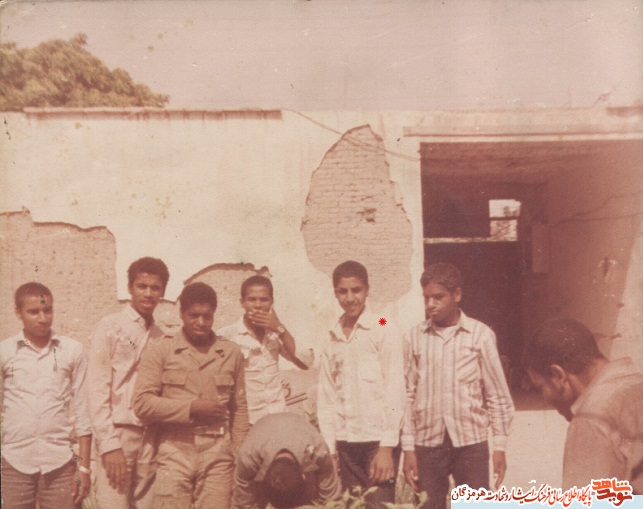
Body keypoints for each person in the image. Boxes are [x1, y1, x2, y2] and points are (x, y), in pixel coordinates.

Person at [402, 262, 514, 509]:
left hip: (470, 444)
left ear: (457, 295)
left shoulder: (480, 335)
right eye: (426, 298)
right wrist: (409, 448)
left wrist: (499, 447)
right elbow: (407, 396)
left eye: (438, 297)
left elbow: (497, 395)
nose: (430, 304)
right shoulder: (414, 338)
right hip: (427, 444)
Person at [133, 282, 249, 509]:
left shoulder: (231, 352)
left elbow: (239, 409)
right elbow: (142, 403)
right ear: (182, 314)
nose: (201, 322)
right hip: (174, 451)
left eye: (207, 316)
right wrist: (191, 408)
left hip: (218, 452)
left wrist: (239, 458)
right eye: (194, 315)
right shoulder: (161, 350)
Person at [317, 260, 405, 506]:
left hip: (378, 443)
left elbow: (395, 389)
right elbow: (327, 395)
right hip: (346, 445)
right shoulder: (332, 334)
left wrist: (386, 447)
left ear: (367, 290)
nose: (350, 298)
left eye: (356, 290)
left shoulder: (382, 325)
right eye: (342, 291)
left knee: (380, 504)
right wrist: (330, 448)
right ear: (335, 293)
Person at [523, 317, 643, 493]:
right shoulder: (636, 385)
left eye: (541, 387)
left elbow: (583, 501)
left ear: (558, 375)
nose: (546, 400)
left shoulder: (591, 417)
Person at [87, 256, 170, 509]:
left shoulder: (161, 336)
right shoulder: (109, 326)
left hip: (150, 436)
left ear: (163, 292)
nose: (148, 293)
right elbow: (96, 387)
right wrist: (109, 445)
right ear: (130, 288)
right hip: (119, 432)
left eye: (155, 288)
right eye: (141, 286)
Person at [0, 282, 92, 509]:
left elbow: (83, 413)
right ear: (18, 313)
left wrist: (83, 468)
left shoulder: (71, 350)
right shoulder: (5, 351)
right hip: (14, 463)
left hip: (60, 464)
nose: (42, 318)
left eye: (47, 310)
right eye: (34, 312)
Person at [217, 275, 308, 425]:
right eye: (252, 300)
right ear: (242, 302)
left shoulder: (276, 333)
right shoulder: (227, 335)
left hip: (278, 416)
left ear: (271, 302)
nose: (258, 305)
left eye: (264, 300)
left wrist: (280, 328)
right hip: (248, 421)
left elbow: (303, 362)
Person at [232, 412, 342, 509]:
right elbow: (243, 504)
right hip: (262, 436)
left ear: (304, 476)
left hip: (300, 433)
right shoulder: (248, 457)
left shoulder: (317, 450)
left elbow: (332, 500)